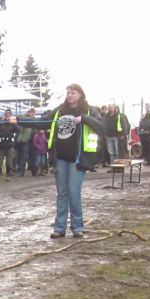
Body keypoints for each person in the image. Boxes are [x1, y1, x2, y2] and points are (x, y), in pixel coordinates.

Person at [44, 83, 105, 239]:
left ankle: (77, 227)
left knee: (73, 192)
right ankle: (59, 228)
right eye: (68, 93)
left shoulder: (89, 111)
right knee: (62, 193)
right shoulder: (60, 110)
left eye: (73, 92)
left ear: (80, 94)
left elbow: (102, 127)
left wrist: (84, 119)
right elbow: (43, 121)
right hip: (60, 158)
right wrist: (19, 120)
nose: (70, 95)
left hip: (78, 159)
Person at [0, 109, 19, 180]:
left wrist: (13, 123)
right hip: (1, 145)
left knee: (9, 162)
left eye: (9, 114)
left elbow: (17, 130)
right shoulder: (1, 122)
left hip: (9, 144)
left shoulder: (13, 123)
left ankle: (8, 175)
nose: (8, 115)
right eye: (6, 114)